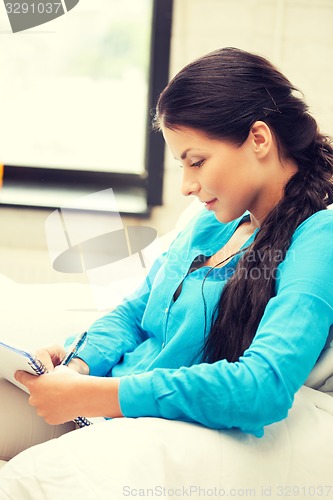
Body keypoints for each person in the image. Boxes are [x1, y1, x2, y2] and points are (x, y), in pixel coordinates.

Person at [1, 47, 333, 497]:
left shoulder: (319, 237)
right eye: (182, 165)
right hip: (95, 404)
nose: (186, 185)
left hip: (122, 420)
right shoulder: (214, 224)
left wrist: (94, 396)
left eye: (196, 162)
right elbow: (135, 312)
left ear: (259, 139)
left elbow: (263, 386)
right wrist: (78, 367)